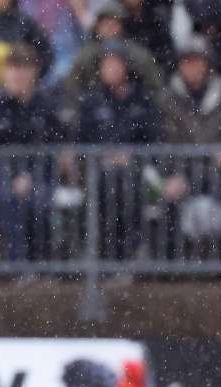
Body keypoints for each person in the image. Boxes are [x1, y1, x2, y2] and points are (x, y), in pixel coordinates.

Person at [158, 38, 221, 259]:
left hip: (219, 169)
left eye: (197, 61)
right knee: (167, 199)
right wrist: (172, 172)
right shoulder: (169, 97)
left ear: (207, 64)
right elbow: (163, 137)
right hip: (184, 169)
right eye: (187, 62)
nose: (192, 67)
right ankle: (172, 266)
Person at [0, 44, 65, 262]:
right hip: (0, 176)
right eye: (13, 68)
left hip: (40, 175)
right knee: (6, 201)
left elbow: (55, 147)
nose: (18, 75)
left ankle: (39, 263)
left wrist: (30, 175)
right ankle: (18, 264)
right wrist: (12, 174)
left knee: (38, 203)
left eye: (24, 68)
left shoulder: (47, 107)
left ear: (34, 72)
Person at [74, 44, 160, 261]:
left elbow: (154, 139)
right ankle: (103, 255)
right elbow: (82, 140)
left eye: (115, 63)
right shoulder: (91, 102)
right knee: (105, 191)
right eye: (106, 64)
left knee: (126, 189)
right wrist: (102, 157)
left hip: (138, 173)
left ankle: (130, 252)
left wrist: (132, 156)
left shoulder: (143, 101)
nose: (110, 69)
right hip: (97, 172)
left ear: (126, 67)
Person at [64, 2, 163, 112]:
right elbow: (72, 85)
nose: (109, 28)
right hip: (97, 107)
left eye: (113, 23)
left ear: (121, 25)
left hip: (134, 106)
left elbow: (154, 84)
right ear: (97, 27)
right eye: (105, 24)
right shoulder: (87, 55)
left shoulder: (136, 53)